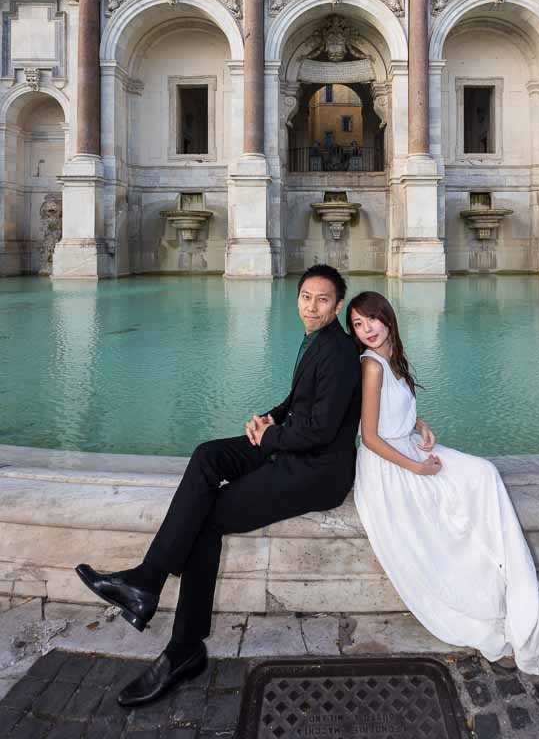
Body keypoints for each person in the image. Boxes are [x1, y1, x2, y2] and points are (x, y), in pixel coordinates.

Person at [76, 264, 361, 706]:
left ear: (338, 306)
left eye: (323, 299)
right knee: (208, 455)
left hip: (315, 472)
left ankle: (181, 646)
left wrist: (271, 438)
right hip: (290, 446)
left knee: (205, 521)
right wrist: (268, 418)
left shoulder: (341, 351)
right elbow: (297, 403)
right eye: (306, 296)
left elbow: (323, 429)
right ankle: (145, 584)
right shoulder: (316, 341)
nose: (312, 305)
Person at [346, 290, 539, 675]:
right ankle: (512, 622)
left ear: (386, 317)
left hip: (407, 449)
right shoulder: (371, 365)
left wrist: (420, 425)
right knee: (457, 522)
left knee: (484, 474)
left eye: (370, 318)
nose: (366, 328)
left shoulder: (393, 360)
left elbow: (396, 412)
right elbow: (370, 437)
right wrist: (417, 468)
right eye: (357, 324)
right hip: (389, 469)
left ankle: (536, 613)